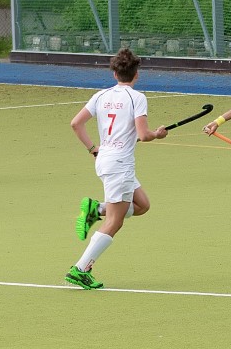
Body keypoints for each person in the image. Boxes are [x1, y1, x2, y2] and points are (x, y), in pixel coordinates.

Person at [66, 48, 168, 290]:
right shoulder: (137, 97)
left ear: (114, 73)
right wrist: (157, 134)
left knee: (142, 205)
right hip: (120, 164)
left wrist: (93, 149)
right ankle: (81, 269)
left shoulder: (101, 96)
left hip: (106, 160)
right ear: (136, 74)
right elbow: (144, 135)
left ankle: (97, 209)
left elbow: (76, 124)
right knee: (115, 221)